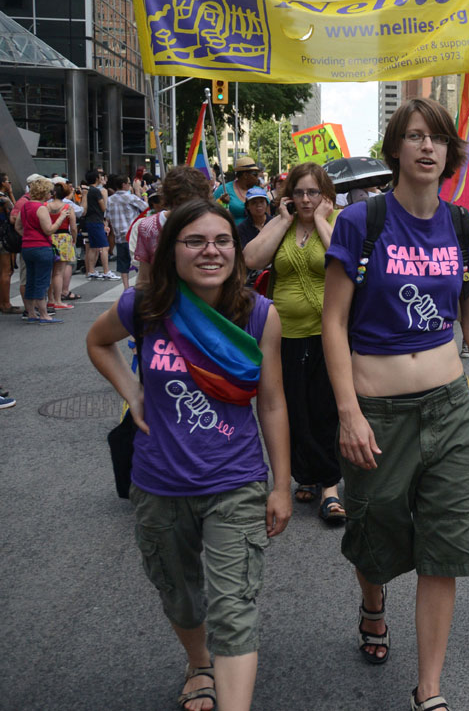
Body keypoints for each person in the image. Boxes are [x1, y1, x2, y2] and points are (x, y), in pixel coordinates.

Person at [322, 97, 469, 711]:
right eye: (416, 136)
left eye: (439, 139)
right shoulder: (361, 223)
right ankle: (373, 605)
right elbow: (333, 322)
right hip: (378, 414)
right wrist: (347, 411)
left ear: (450, 153)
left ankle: (429, 688)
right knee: (374, 536)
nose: (428, 147)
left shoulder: (464, 227)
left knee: (445, 542)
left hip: (449, 407)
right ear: (396, 148)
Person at [86, 198, 291, 711]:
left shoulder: (260, 314)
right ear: (171, 248)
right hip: (158, 485)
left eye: (222, 241)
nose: (211, 251)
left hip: (235, 482)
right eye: (194, 241)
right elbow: (97, 342)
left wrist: (282, 484)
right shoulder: (145, 306)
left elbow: (271, 401)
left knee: (233, 609)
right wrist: (131, 391)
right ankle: (199, 663)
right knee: (178, 594)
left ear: (237, 250)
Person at [244, 162, 345, 526]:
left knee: (326, 407)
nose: (305, 199)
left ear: (325, 196)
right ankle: (304, 474)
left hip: (327, 333)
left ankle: (330, 485)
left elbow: (346, 262)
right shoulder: (280, 224)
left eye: (312, 192)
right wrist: (283, 221)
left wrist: (321, 220)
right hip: (281, 333)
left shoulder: (336, 224)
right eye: (299, 192)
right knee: (292, 407)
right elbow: (251, 259)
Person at [134, 167, 215, 289]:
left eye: (195, 203)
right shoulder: (149, 226)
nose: (188, 208)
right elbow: (145, 276)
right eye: (181, 202)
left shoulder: (213, 224)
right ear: (170, 200)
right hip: (162, 298)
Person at [17, 178, 70, 324]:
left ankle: (31, 313)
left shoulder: (25, 206)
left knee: (31, 281)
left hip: (27, 247)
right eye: (50, 191)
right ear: (44, 192)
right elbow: (49, 230)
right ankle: (44, 314)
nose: (51, 194)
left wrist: (28, 237)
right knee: (42, 281)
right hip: (41, 247)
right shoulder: (41, 208)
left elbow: (18, 226)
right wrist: (60, 218)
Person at [106, 174, 149, 290]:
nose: (130, 185)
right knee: (138, 262)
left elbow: (107, 217)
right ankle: (140, 285)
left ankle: (126, 288)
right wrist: (143, 193)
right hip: (132, 236)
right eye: (129, 183)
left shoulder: (109, 200)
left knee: (122, 263)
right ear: (124, 185)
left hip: (119, 236)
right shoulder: (131, 197)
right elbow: (146, 208)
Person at [46, 182, 78, 309]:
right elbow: (73, 227)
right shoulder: (68, 207)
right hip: (64, 238)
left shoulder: (46, 206)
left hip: (48, 237)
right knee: (58, 272)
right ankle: (58, 300)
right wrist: (74, 239)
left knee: (49, 272)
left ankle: (50, 299)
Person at [81, 169, 115, 280]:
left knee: (92, 247)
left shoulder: (86, 190)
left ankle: (91, 270)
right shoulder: (96, 191)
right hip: (96, 221)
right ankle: (106, 271)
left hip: (88, 220)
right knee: (104, 247)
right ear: (96, 179)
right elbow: (103, 207)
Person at [214, 157, 264, 228]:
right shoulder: (224, 189)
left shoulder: (259, 191)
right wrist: (222, 203)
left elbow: (267, 216)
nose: (257, 178)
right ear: (245, 175)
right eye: (255, 174)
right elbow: (212, 211)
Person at [0, 173, 17, 314]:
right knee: (7, 271)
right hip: (4, 239)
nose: (9, 183)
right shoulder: (3, 199)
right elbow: (15, 213)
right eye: (7, 181)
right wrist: (11, 194)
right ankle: (5, 303)